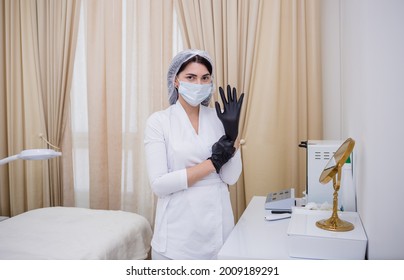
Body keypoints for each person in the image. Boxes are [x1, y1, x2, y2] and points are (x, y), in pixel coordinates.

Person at [144, 49, 244, 260]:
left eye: (205, 78)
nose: (199, 84)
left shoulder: (219, 119)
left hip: (217, 230)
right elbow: (159, 185)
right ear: (176, 81)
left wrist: (231, 135)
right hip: (177, 236)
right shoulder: (159, 121)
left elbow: (231, 178)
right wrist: (212, 163)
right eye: (191, 77)